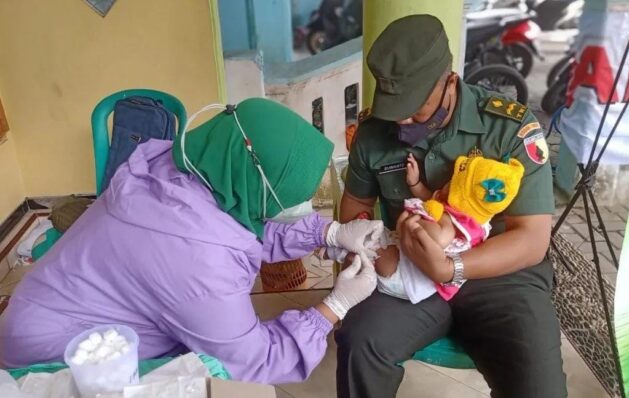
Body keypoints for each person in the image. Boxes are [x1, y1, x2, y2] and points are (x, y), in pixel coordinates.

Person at [0, 98, 383, 385]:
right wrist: (334, 307)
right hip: (58, 359)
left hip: (45, 308)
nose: (301, 206)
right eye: (291, 197)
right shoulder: (196, 263)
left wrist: (327, 232)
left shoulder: (181, 165)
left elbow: (240, 223)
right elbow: (253, 361)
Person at [336, 14, 566, 398]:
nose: (403, 118)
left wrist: (450, 267)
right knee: (360, 341)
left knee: (540, 388)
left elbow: (531, 240)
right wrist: (368, 251)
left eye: (415, 106)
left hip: (500, 277)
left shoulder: (509, 129)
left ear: (449, 81)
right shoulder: (374, 133)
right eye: (395, 105)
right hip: (410, 274)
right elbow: (356, 203)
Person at [374, 153, 525, 303]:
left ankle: (362, 258)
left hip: (409, 276)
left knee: (375, 253)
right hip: (410, 256)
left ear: (461, 195)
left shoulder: (455, 224)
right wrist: (415, 183)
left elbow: (440, 239)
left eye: (454, 182)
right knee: (376, 241)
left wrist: (414, 223)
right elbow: (430, 199)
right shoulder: (460, 210)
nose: (447, 183)